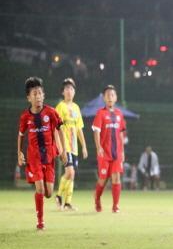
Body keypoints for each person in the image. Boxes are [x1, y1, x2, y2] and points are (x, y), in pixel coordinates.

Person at [17, 77, 66, 230]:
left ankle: (43, 198)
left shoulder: (51, 112)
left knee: (49, 193)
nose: (38, 96)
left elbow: (60, 129)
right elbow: (20, 134)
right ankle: (40, 221)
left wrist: (63, 150)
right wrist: (19, 152)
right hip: (34, 158)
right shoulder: (25, 117)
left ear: (43, 95)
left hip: (49, 157)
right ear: (28, 97)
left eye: (40, 93)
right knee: (40, 189)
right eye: (34, 94)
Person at [55, 78, 88, 211]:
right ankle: (58, 196)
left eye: (71, 88)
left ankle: (67, 203)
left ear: (74, 92)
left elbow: (79, 128)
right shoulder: (60, 107)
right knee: (70, 171)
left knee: (72, 174)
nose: (69, 91)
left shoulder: (76, 108)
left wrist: (84, 146)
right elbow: (56, 128)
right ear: (63, 92)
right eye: (67, 88)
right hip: (65, 146)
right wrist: (60, 147)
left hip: (74, 148)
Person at [92, 85, 127, 213]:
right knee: (103, 179)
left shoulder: (119, 114)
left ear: (116, 98)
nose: (110, 97)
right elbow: (96, 131)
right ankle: (97, 199)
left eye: (112, 95)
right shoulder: (100, 113)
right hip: (104, 152)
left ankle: (115, 206)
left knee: (116, 178)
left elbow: (121, 133)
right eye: (107, 95)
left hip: (116, 152)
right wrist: (98, 147)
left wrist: (122, 151)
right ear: (104, 98)